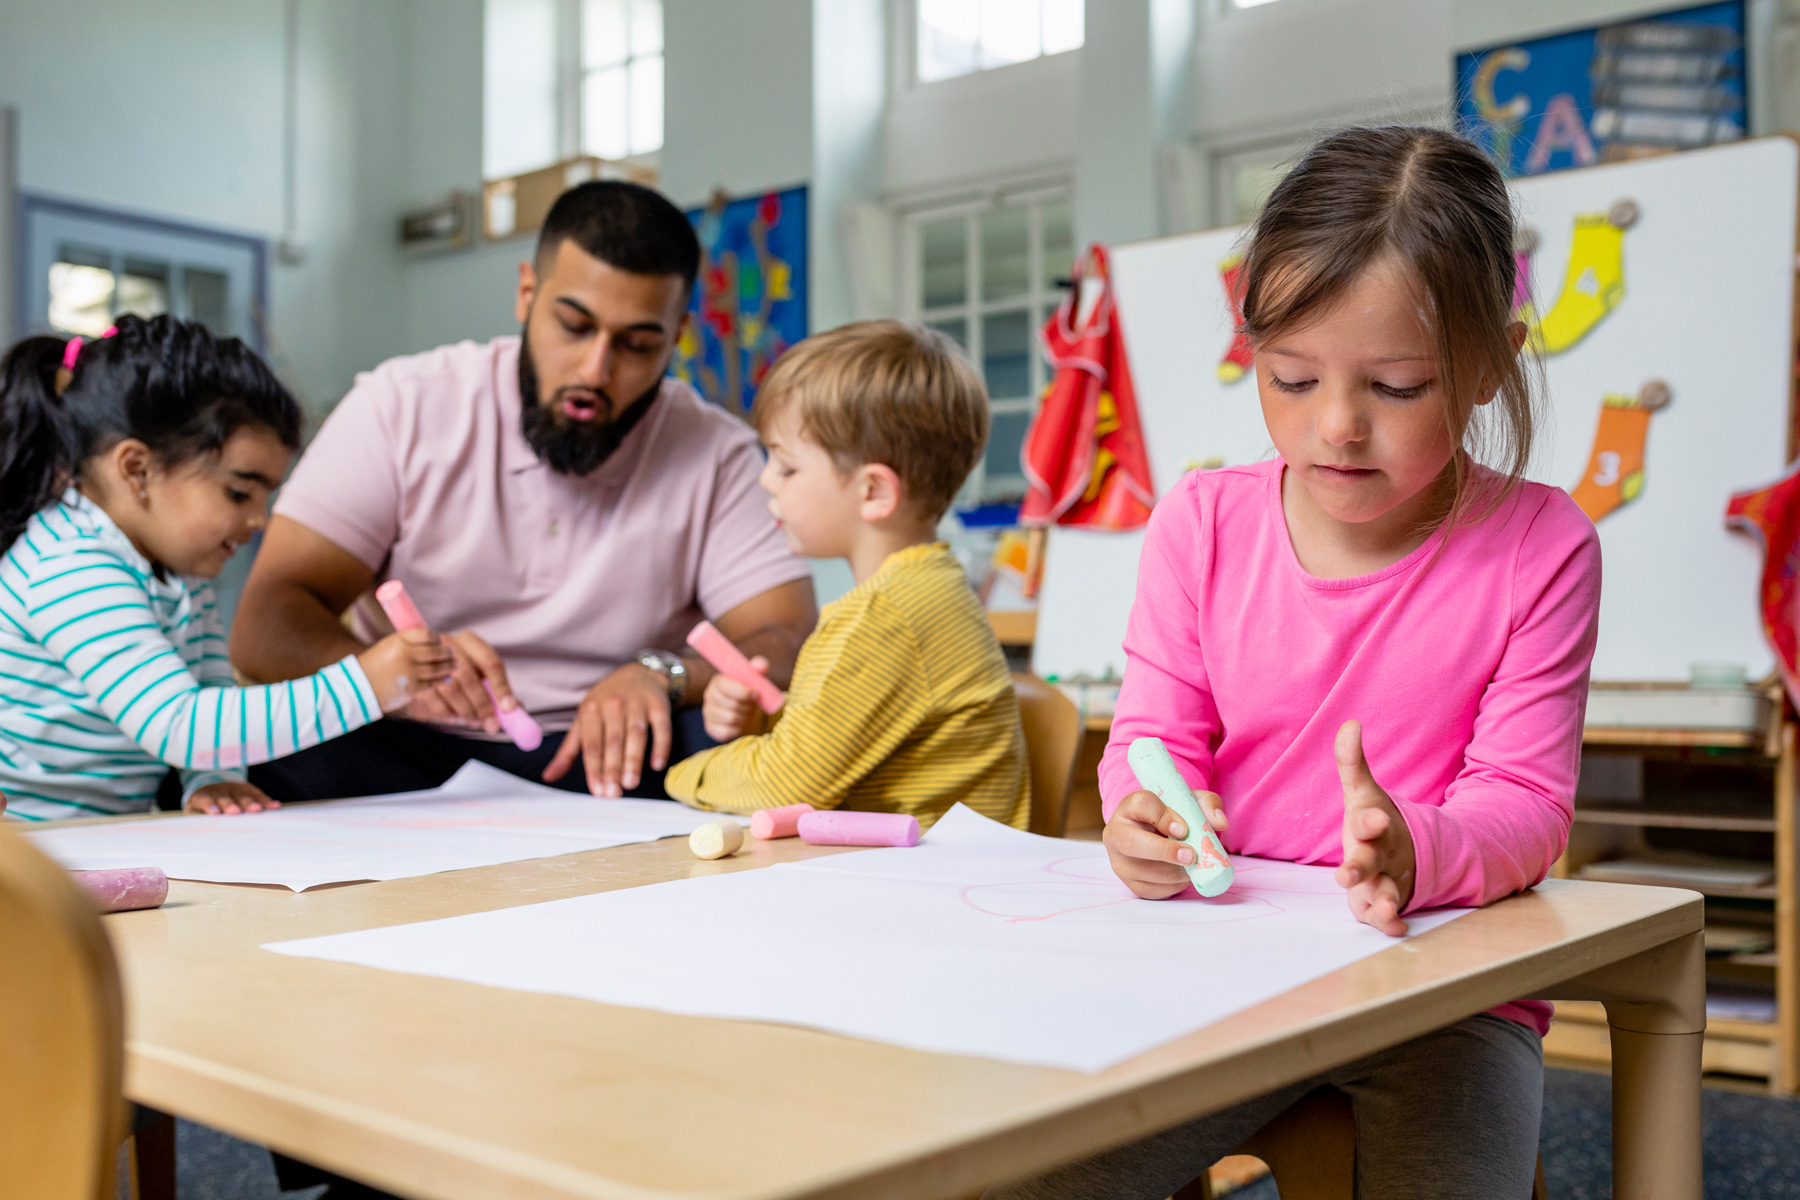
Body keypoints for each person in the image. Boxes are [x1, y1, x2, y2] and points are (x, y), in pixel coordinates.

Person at [988, 127, 1600, 1200]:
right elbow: (1151, 741)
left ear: (1493, 364)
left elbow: (1527, 804)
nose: (1336, 427)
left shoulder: (1542, 545)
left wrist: (1423, 845)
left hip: (1444, 989)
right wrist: (1143, 816)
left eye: (1397, 386)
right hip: (1221, 964)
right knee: (1027, 1176)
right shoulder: (1203, 524)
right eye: (1290, 376)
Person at [231, 181, 816, 804]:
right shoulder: (401, 405)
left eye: (638, 344)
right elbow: (267, 623)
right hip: (403, 738)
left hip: (616, 761)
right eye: (573, 325)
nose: (596, 370)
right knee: (287, 744)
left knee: (730, 741)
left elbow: (783, 642)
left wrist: (666, 676)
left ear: (676, 336)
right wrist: (388, 675)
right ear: (525, 295)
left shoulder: (715, 451)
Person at [0, 316, 451, 822]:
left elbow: (211, 693)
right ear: (136, 468)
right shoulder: (70, 564)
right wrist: (366, 683)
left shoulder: (177, 573)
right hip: (27, 855)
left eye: (266, 496)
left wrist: (212, 777)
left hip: (97, 840)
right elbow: (178, 724)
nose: (260, 520)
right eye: (239, 492)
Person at [667, 321, 1029, 830]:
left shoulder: (884, 617)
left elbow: (785, 785)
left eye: (787, 467)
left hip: (928, 886)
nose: (765, 479)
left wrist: (683, 776)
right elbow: (860, 739)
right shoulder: (929, 586)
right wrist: (767, 720)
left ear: (874, 492)